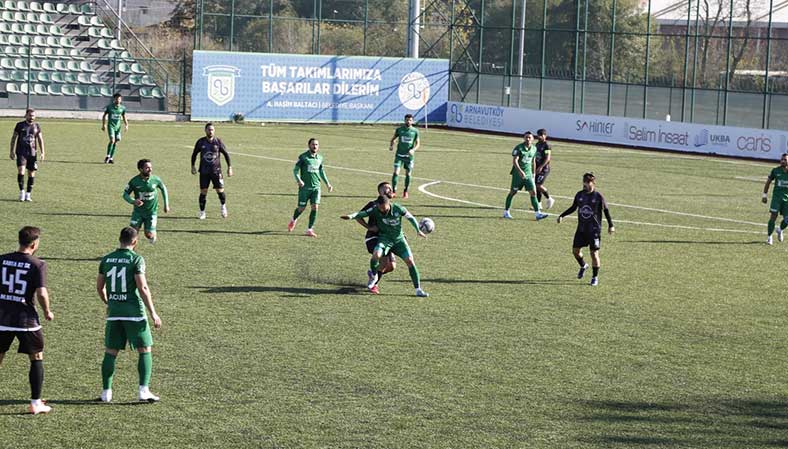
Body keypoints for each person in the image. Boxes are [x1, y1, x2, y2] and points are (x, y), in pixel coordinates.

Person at [97, 227, 162, 403]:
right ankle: (143, 391)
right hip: (134, 312)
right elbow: (143, 288)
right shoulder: (136, 259)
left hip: (114, 313)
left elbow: (99, 288)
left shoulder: (107, 258)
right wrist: (154, 313)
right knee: (145, 349)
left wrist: (109, 303)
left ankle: (106, 393)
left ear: (120, 239)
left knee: (111, 351)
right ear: (135, 241)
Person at [0, 226, 54, 415]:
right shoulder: (37, 264)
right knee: (36, 357)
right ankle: (35, 403)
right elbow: (41, 292)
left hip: (2, 317)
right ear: (34, 243)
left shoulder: (2, 259)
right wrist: (47, 310)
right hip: (26, 320)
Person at [341, 195, 429, 297]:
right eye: (381, 208)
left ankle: (418, 289)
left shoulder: (398, 208)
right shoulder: (374, 209)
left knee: (410, 261)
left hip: (399, 240)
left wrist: (418, 230)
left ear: (389, 204)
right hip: (385, 239)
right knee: (376, 255)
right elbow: (361, 214)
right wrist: (350, 216)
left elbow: (410, 218)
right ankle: (374, 276)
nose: (383, 210)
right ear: (378, 205)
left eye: (385, 208)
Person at [557, 172, 615, 286]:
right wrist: (562, 215)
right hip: (581, 229)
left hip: (594, 231)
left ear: (593, 183)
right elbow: (573, 207)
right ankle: (583, 266)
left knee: (594, 254)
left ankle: (595, 277)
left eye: (587, 182)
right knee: (575, 251)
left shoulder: (598, 197)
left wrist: (611, 225)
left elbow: (606, 211)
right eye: (584, 182)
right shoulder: (579, 195)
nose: (585, 184)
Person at [353, 181, 397, 294]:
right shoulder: (373, 204)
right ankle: (374, 285)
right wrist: (369, 227)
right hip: (373, 239)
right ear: (380, 191)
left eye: (390, 188)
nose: (389, 190)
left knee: (392, 266)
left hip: (387, 239)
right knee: (383, 260)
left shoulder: (392, 207)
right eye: (386, 188)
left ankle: (373, 273)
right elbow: (358, 216)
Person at [287, 138, 333, 237]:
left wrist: (328, 184)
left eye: (316, 145)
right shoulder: (303, 157)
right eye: (313, 144)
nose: (315, 146)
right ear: (309, 145)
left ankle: (309, 229)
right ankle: (293, 219)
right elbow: (295, 170)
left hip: (316, 188)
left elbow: (321, 171)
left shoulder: (320, 158)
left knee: (315, 207)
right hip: (304, 188)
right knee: (301, 208)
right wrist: (299, 180)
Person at [191, 122, 233, 219]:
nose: (210, 131)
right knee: (203, 192)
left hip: (216, 171)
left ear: (214, 131)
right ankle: (202, 212)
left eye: (212, 130)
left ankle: (223, 207)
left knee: (220, 191)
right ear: (205, 130)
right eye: (209, 129)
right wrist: (192, 166)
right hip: (204, 172)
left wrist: (229, 167)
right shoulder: (200, 142)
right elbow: (194, 154)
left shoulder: (218, 141)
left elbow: (226, 154)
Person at [503, 131, 548, 220]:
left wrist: (534, 173)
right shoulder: (519, 148)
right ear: (524, 138)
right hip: (517, 175)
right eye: (526, 137)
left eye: (529, 137)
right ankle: (506, 212)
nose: (528, 139)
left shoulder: (534, 149)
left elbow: (533, 161)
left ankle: (538, 214)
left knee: (533, 193)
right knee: (513, 192)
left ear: (532, 139)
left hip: (528, 174)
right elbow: (515, 161)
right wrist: (520, 171)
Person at [123, 159, 170, 244]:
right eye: (147, 168)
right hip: (138, 212)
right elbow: (125, 194)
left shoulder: (156, 179)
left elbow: (164, 189)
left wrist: (166, 204)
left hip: (151, 212)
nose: (150, 169)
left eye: (151, 167)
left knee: (148, 234)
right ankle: (132, 254)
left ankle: (152, 236)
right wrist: (133, 201)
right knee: (132, 234)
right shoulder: (134, 181)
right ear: (140, 169)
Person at [9, 108, 45, 202]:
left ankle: (28, 194)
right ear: (26, 115)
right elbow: (13, 138)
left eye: (33, 116)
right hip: (21, 152)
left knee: (31, 173)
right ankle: (22, 192)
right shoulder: (20, 125)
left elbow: (40, 139)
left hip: (32, 153)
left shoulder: (37, 126)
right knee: (21, 171)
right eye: (30, 115)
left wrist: (42, 152)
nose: (31, 117)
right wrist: (11, 151)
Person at [389, 114, 419, 198]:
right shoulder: (399, 130)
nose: (408, 121)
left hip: (409, 157)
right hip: (399, 155)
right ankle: (394, 191)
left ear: (412, 121)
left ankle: (405, 191)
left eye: (410, 120)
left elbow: (418, 143)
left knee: (408, 174)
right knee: (396, 172)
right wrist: (391, 145)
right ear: (404, 120)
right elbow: (393, 139)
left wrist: (413, 150)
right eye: (407, 120)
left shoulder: (415, 131)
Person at [762, 152, 788, 245]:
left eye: (785, 160)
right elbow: (768, 182)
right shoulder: (775, 171)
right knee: (773, 216)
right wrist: (764, 195)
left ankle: (780, 230)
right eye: (782, 159)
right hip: (776, 198)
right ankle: (769, 237)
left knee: (787, 220)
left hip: (787, 200)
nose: (783, 161)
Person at [101, 93, 128, 164]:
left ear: (121, 99)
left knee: (117, 140)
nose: (118, 100)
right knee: (112, 140)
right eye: (116, 99)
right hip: (111, 126)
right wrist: (104, 125)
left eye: (119, 99)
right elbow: (104, 116)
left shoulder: (122, 108)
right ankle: (107, 156)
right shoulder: (110, 107)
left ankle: (111, 158)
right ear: (114, 99)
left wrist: (126, 125)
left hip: (118, 127)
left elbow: (124, 116)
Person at [534, 128, 555, 210]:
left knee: (538, 185)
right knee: (536, 186)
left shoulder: (547, 145)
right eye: (538, 135)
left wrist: (541, 167)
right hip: (537, 168)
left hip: (544, 169)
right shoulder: (537, 144)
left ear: (545, 136)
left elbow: (547, 158)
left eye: (541, 135)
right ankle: (539, 204)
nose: (539, 136)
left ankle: (549, 198)